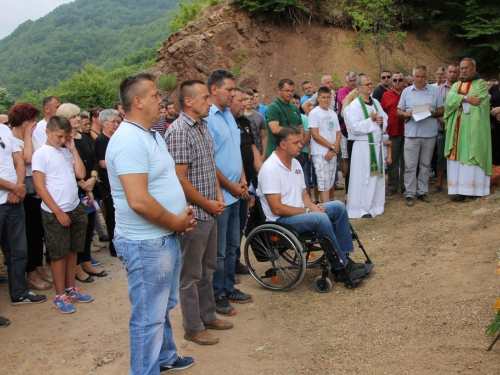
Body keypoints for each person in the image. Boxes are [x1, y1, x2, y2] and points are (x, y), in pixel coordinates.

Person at [106, 72, 196, 374]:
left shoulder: (152, 134)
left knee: (161, 307)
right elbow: (139, 201)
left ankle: (165, 357)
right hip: (146, 243)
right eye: (156, 95)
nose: (163, 100)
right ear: (138, 101)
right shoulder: (129, 141)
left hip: (162, 237)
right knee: (148, 315)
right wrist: (176, 221)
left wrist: (180, 215)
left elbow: (163, 182)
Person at [257, 126, 369, 285]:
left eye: (300, 142)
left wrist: (313, 207)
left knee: (338, 207)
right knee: (320, 218)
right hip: (281, 221)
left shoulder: (295, 163)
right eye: (295, 143)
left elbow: (304, 195)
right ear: (283, 145)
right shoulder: (270, 169)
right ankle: (339, 267)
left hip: (300, 214)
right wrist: (309, 210)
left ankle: (344, 258)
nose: (300, 145)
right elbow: (277, 208)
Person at [166, 79, 232, 346]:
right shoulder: (180, 131)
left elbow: (208, 165)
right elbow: (179, 179)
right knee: (190, 275)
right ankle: (192, 327)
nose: (209, 102)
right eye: (205, 98)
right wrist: (206, 204)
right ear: (189, 101)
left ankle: (207, 316)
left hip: (209, 210)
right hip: (194, 215)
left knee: (208, 269)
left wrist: (217, 195)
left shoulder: (203, 126)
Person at [32, 116, 92, 314]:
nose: (61, 140)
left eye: (65, 136)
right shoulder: (41, 154)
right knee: (58, 254)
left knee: (73, 249)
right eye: (59, 136)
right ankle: (60, 295)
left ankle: (70, 288)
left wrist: (72, 149)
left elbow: (80, 174)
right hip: (55, 211)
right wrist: (58, 212)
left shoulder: (66, 151)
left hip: (74, 207)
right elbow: (40, 187)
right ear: (47, 132)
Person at [206, 69, 253, 317]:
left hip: (237, 191)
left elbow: (235, 153)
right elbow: (209, 162)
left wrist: (243, 180)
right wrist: (230, 186)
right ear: (214, 89)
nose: (232, 93)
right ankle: (218, 295)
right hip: (222, 195)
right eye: (229, 89)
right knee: (220, 250)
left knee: (233, 245)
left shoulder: (228, 116)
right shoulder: (209, 118)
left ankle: (229, 286)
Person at [0, 114, 47, 316]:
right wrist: (15, 187)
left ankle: (19, 292)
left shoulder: (3, 130)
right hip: (7, 198)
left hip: (14, 199)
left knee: (19, 249)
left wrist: (18, 188)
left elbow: (18, 160)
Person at [56, 104, 106, 283]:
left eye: (78, 115)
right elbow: (64, 167)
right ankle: (76, 267)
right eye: (73, 116)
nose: (78, 119)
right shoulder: (63, 141)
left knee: (88, 227)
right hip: (74, 190)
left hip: (88, 189)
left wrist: (92, 179)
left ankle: (86, 262)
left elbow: (93, 160)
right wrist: (82, 183)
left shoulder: (83, 137)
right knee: (77, 231)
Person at [9, 103, 54, 290]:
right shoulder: (12, 139)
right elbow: (28, 158)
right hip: (24, 190)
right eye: (31, 119)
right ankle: (30, 274)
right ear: (23, 120)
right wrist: (27, 134)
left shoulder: (32, 136)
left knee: (38, 233)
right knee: (29, 234)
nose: (34, 123)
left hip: (36, 189)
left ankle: (38, 267)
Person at [444, 58, 491, 200]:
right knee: (456, 156)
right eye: (462, 68)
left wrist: (460, 99)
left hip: (473, 127)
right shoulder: (456, 85)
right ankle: (457, 191)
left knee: (472, 152)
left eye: (466, 68)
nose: (463, 71)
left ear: (474, 68)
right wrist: (465, 99)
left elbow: (478, 101)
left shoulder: (480, 84)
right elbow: (449, 100)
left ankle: (473, 191)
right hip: (456, 129)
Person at [397, 65, 444, 207]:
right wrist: (406, 114)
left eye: (423, 76)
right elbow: (398, 111)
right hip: (412, 133)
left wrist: (433, 112)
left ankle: (422, 191)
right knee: (410, 165)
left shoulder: (434, 91)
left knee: (425, 165)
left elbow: (442, 109)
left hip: (429, 133)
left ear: (427, 77)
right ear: (413, 77)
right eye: (417, 76)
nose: (420, 79)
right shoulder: (406, 91)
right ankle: (409, 193)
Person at [344, 74, 388, 218]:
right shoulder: (354, 106)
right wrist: (371, 120)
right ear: (359, 87)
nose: (370, 86)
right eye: (367, 84)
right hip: (363, 147)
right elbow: (354, 127)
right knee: (363, 177)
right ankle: (361, 208)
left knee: (376, 176)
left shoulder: (375, 102)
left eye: (371, 83)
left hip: (376, 144)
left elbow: (384, 117)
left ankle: (376, 205)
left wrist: (381, 121)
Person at [94, 109, 120, 258]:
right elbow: (102, 163)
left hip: (116, 181)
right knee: (111, 216)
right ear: (104, 123)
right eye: (113, 122)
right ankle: (113, 245)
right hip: (108, 184)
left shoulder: (115, 138)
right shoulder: (101, 140)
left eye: (118, 121)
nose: (116, 125)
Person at [308, 87, 341, 203]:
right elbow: (315, 135)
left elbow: (338, 132)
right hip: (320, 153)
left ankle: (329, 207)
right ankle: (326, 209)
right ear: (318, 98)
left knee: (331, 181)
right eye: (323, 97)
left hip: (332, 152)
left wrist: (334, 148)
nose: (326, 100)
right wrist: (332, 147)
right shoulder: (314, 113)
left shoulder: (333, 113)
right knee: (323, 183)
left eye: (328, 97)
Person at [432, 64, 460, 194]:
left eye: (455, 72)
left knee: (459, 155)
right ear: (446, 73)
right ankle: (439, 183)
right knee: (441, 155)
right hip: (441, 127)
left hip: (459, 128)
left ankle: (457, 181)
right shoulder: (439, 90)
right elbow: (435, 109)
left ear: (458, 74)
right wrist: (443, 122)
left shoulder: (462, 89)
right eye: (450, 72)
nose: (452, 74)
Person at [381, 72, 406, 195]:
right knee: (393, 160)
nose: (397, 82)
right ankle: (392, 186)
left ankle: (405, 185)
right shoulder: (386, 95)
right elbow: (382, 112)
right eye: (395, 80)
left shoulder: (408, 93)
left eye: (400, 80)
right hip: (392, 132)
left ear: (403, 81)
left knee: (406, 161)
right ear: (392, 81)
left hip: (408, 131)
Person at [265, 78, 303, 157]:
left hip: (293, 153)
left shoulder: (294, 107)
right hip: (278, 154)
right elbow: (275, 129)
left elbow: (300, 127)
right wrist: (295, 136)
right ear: (279, 90)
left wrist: (299, 140)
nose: (290, 93)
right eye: (287, 91)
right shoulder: (273, 107)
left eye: (292, 91)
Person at [291, 93, 312, 196]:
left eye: (297, 103)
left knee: (305, 179)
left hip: (302, 152)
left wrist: (298, 147)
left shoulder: (304, 118)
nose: (295, 105)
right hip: (290, 154)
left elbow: (306, 136)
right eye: (293, 103)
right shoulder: (289, 117)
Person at [243, 89, 267, 156]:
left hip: (258, 153)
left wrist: (263, 156)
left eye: (251, 99)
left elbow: (264, 138)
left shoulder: (260, 117)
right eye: (246, 99)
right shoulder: (238, 117)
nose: (249, 101)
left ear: (254, 100)